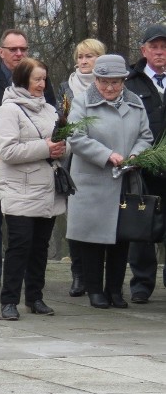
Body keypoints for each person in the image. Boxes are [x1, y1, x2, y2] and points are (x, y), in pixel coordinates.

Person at [0, 29, 56, 289]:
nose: (19, 53)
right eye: (13, 49)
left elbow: (48, 122)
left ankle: (27, 277)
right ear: (1, 51)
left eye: (23, 49)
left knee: (27, 229)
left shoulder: (40, 82)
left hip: (31, 168)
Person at [67, 55, 153, 309]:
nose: (109, 88)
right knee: (92, 239)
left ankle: (115, 290)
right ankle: (95, 291)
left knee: (120, 238)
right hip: (93, 180)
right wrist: (106, 155)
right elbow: (75, 137)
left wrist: (137, 153)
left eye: (115, 82)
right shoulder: (83, 103)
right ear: (96, 80)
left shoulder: (135, 103)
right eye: (104, 82)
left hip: (124, 180)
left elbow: (145, 135)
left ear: (124, 81)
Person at [0, 58, 66, 320]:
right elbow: (7, 151)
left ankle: (35, 297)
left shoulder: (50, 109)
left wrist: (62, 147)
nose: (42, 84)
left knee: (40, 246)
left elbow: (61, 143)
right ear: (23, 80)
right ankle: (9, 301)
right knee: (20, 245)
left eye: (44, 79)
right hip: (19, 189)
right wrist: (46, 147)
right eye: (37, 79)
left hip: (47, 187)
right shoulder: (8, 111)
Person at [57, 38, 106, 297]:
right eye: (80, 57)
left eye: (90, 56)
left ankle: (100, 276)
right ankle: (79, 274)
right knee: (75, 219)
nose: (84, 61)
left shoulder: (112, 86)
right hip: (73, 159)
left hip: (106, 160)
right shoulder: (67, 87)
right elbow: (60, 120)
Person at [123, 24, 166, 304]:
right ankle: (141, 283)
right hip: (144, 166)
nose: (160, 52)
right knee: (141, 225)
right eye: (155, 47)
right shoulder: (131, 82)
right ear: (144, 51)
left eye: (164, 47)